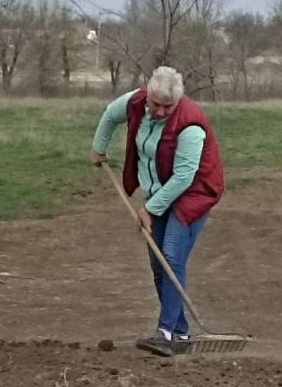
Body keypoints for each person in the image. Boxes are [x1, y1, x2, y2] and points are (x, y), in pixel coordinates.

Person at [90, 66, 225, 357]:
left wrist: (149, 209)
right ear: (148, 95)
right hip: (158, 193)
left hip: (192, 194)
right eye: (156, 105)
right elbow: (111, 115)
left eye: (168, 106)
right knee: (158, 264)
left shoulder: (190, 125)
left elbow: (183, 177)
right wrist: (99, 149)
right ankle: (181, 333)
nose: (161, 111)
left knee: (172, 258)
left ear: (178, 102)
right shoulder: (136, 102)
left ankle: (164, 333)